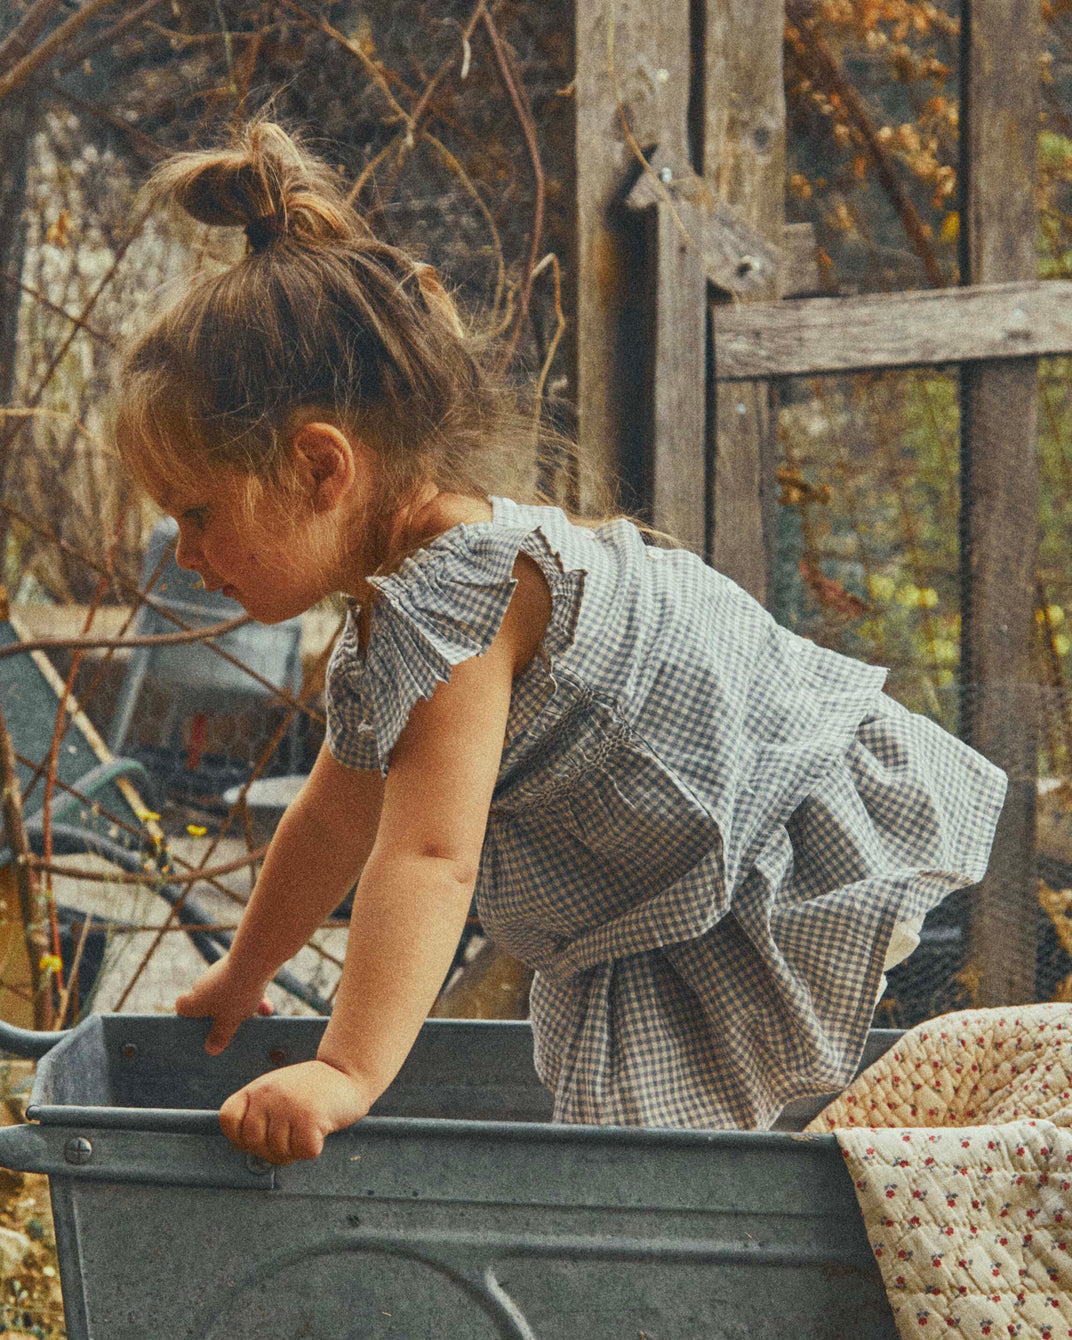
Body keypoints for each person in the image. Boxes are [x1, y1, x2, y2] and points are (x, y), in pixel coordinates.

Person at [114, 120, 1007, 1166]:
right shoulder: (398, 614)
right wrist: (245, 969)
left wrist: (346, 1068)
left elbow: (430, 856)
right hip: (675, 885)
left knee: (816, 1155)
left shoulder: (460, 589)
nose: (182, 554)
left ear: (322, 469)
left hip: (777, 854)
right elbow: (333, 817)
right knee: (690, 1179)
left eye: (199, 513)